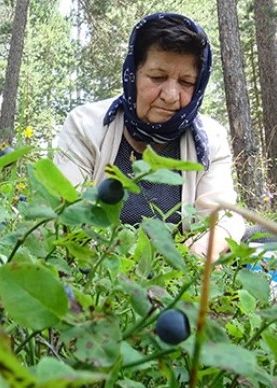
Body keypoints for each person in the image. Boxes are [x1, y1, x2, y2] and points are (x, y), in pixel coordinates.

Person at [54, 12, 246, 261]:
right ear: (133, 74)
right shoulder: (86, 125)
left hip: (177, 263)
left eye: (187, 82)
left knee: (268, 236)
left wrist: (200, 253)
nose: (170, 94)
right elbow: (67, 210)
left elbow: (222, 218)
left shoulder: (210, 139)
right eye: (158, 77)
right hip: (103, 261)